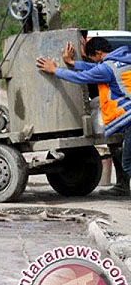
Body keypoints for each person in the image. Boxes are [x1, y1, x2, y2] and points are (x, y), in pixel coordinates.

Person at [36, 37, 131, 197]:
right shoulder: (124, 59)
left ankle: (123, 186)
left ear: (98, 53)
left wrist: (55, 70)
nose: (90, 60)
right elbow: (96, 67)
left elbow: (83, 77)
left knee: (128, 163)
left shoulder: (106, 69)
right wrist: (73, 63)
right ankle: (122, 186)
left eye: (90, 56)